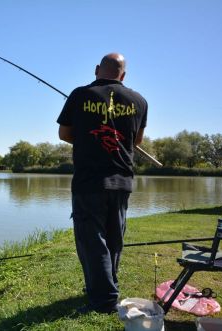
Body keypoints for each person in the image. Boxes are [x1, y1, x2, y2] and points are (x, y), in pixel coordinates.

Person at [57, 53, 148, 314]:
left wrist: (88, 140)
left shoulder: (80, 94)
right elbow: (136, 141)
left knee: (92, 240)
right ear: (124, 75)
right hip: (122, 180)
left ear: (97, 69)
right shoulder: (139, 101)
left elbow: (64, 133)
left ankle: (104, 299)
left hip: (89, 181)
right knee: (114, 237)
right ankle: (107, 285)